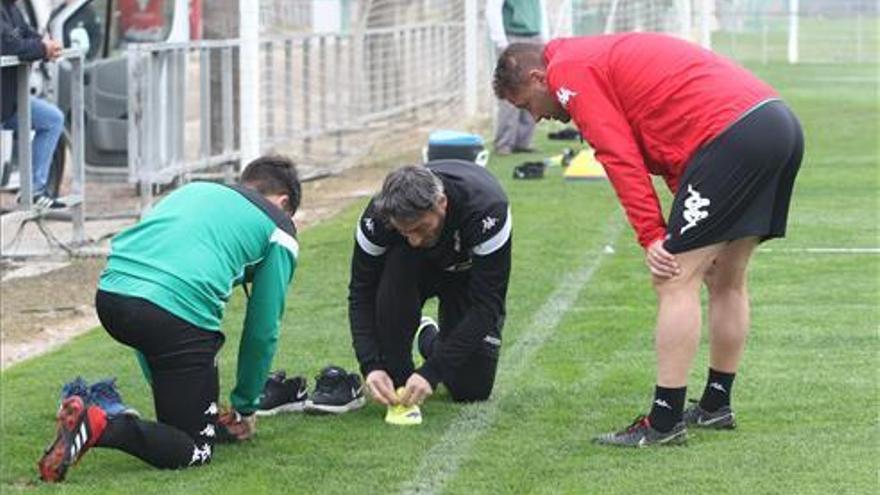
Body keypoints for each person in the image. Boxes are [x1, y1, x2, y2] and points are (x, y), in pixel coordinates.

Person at [493, 33, 803, 446]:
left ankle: (663, 423)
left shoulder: (569, 70)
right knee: (724, 277)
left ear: (538, 77)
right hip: (774, 124)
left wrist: (653, 235)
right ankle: (714, 406)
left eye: (526, 105)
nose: (535, 118)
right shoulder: (590, 55)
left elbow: (618, 155)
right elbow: (679, 150)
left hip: (732, 136)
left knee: (674, 277)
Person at [38, 155, 302, 482]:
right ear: (283, 202)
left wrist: (169, 383)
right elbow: (263, 329)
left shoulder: (196, 191)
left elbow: (150, 289)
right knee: (196, 449)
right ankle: (100, 424)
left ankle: (98, 417)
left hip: (111, 297)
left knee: (176, 418)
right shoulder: (280, 228)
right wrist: (246, 406)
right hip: (171, 318)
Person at [349, 161, 512, 417]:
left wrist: (433, 371)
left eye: (421, 228)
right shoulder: (377, 218)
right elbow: (361, 292)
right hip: (408, 271)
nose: (414, 239)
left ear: (442, 203)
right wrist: (370, 364)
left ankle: (429, 338)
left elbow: (487, 305)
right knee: (397, 379)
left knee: (471, 389)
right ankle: (401, 355)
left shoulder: (486, 210)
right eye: (404, 232)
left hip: (464, 276)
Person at [1, 0, 66, 208]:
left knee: (51, 119)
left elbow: (29, 35)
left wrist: (47, 47)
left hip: (8, 101)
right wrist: (41, 48)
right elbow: (7, 45)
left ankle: (34, 191)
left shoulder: (11, 9)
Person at [485, 0, 547, 155]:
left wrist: (545, 38)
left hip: (535, 37)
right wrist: (500, 41)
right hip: (512, 37)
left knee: (534, 90)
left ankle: (523, 141)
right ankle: (504, 143)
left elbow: (541, 9)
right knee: (511, 90)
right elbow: (493, 8)